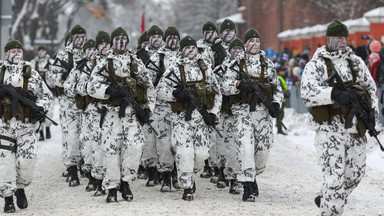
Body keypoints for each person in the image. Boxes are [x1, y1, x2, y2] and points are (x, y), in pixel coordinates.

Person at [300, 19, 378, 216]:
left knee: (356, 173)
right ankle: (330, 209)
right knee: (334, 178)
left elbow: (370, 88)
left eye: (345, 37)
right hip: (329, 130)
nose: (343, 41)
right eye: (338, 37)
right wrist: (333, 94)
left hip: (354, 128)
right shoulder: (316, 64)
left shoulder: (356, 62)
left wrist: (371, 114)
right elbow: (307, 93)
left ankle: (327, 197)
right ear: (328, 39)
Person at [88, 26, 156, 203]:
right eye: (117, 39)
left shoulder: (136, 62)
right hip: (111, 114)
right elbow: (91, 87)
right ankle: (111, 187)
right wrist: (109, 90)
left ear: (127, 41)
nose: (120, 42)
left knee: (135, 148)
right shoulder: (104, 62)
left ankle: (125, 182)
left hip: (132, 115)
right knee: (111, 152)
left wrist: (149, 108)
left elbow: (149, 87)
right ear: (112, 43)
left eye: (123, 39)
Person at [156, 35, 222, 201]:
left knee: (200, 155)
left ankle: (191, 175)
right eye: (187, 48)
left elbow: (217, 91)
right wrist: (176, 94)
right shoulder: (174, 68)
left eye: (193, 47)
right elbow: (159, 91)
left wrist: (213, 112)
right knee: (185, 153)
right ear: (182, 50)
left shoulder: (205, 67)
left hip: (201, 119)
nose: (191, 51)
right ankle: (187, 187)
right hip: (181, 119)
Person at [221, 28, 283, 202]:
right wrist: (239, 84)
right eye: (251, 41)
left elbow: (277, 87)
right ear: (245, 44)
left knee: (263, 151)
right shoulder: (237, 64)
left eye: (257, 41)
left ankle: (253, 174)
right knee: (246, 149)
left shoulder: (267, 64)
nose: (254, 44)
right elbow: (225, 86)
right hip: (243, 112)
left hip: (263, 114)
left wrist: (276, 103)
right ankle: (248, 184)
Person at [0, 40, 52, 213]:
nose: (16, 54)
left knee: (27, 162)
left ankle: (20, 188)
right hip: (4, 127)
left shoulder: (31, 73)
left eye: (19, 51)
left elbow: (45, 94)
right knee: (6, 164)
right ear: (6, 54)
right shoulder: (0, 72)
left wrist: (41, 108)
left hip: (27, 127)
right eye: (12, 51)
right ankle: (8, 198)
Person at [47, 25, 87, 187]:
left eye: (83, 37)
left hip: (86, 102)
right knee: (71, 136)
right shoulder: (62, 55)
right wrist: (63, 77)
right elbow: (50, 78)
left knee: (86, 136)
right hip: (68, 103)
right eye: (77, 37)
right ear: (71, 38)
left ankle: (85, 165)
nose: (81, 40)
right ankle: (72, 170)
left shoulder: (89, 52)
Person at [146, 26, 181, 192]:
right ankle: (166, 175)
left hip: (181, 106)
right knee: (164, 143)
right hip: (161, 107)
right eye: (170, 37)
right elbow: (146, 82)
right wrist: (156, 81)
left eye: (176, 37)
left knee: (179, 142)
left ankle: (177, 173)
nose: (173, 40)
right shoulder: (155, 58)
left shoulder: (184, 56)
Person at [63, 38, 97, 192]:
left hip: (105, 113)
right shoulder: (79, 69)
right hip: (87, 113)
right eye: (88, 50)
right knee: (87, 145)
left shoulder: (103, 65)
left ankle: (101, 177)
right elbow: (67, 88)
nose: (91, 52)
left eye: (94, 49)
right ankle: (90, 176)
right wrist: (83, 88)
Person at [89, 30, 111, 196]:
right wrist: (102, 91)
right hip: (95, 110)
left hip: (113, 111)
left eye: (107, 43)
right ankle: (97, 180)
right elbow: (76, 86)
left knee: (112, 147)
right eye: (101, 44)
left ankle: (112, 180)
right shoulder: (89, 63)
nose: (104, 47)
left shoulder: (115, 61)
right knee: (97, 146)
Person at [30, 45, 54, 141]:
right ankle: (41, 131)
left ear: (46, 52)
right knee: (39, 110)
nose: (41, 53)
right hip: (38, 92)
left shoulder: (51, 63)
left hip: (49, 91)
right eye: (39, 51)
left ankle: (48, 128)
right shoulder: (33, 63)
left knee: (50, 112)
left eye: (43, 51)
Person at [276, 66, 289, 135]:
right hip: (280, 99)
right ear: (280, 71)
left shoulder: (280, 78)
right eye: (283, 71)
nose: (284, 72)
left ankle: (279, 127)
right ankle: (279, 129)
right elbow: (280, 89)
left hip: (281, 99)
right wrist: (286, 93)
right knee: (280, 114)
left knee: (280, 114)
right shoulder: (279, 78)